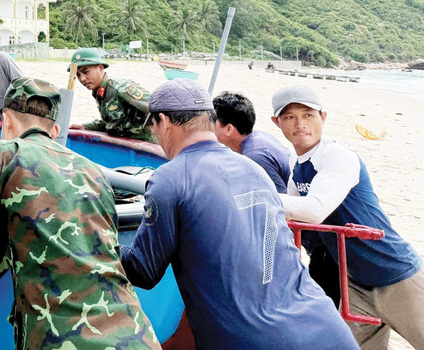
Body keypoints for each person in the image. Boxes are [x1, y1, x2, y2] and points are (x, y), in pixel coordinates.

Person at [120, 79, 358, 350]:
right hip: (327, 328)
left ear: (163, 121)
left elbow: (143, 271)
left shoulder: (170, 179)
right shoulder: (254, 169)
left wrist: (98, 237)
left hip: (255, 341)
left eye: (152, 127)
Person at [0, 77, 161, 349]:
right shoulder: (93, 171)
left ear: (6, 120)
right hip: (136, 334)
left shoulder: (0, 155)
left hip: (65, 340)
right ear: (55, 130)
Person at [272, 86, 424, 350]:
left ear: (323, 117)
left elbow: (313, 210)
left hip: (395, 274)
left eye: (308, 115)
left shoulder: (337, 156)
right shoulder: (298, 167)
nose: (300, 124)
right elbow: (296, 223)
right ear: (277, 122)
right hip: (354, 282)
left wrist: (257, 194)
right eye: (289, 117)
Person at [68, 47, 155, 142]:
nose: (82, 79)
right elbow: (112, 123)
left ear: (100, 68)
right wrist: (84, 127)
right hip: (126, 147)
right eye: (78, 75)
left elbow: (159, 107)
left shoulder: (121, 88)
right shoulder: (99, 92)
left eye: (85, 72)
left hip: (149, 148)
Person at [213, 91, 290, 192]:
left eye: (212, 121)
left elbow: (278, 199)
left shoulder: (255, 156)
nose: (206, 126)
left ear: (229, 129)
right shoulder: (257, 136)